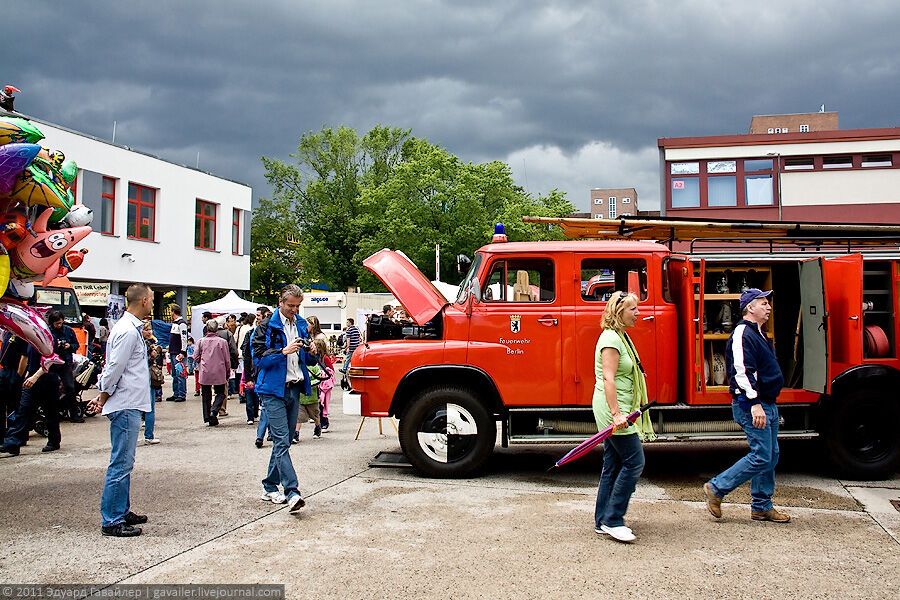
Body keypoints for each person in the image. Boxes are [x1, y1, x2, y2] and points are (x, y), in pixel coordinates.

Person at [704, 289, 790, 524]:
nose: (769, 307)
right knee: (762, 455)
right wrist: (753, 404)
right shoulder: (743, 333)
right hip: (754, 404)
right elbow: (741, 372)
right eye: (763, 303)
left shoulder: (758, 333)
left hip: (767, 403)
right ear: (750, 308)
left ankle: (762, 507)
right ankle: (717, 487)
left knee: (771, 455)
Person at [88, 283, 154, 537]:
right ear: (144, 301)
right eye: (150, 298)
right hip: (125, 402)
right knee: (121, 462)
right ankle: (112, 519)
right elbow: (115, 367)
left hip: (129, 401)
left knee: (126, 461)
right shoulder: (127, 331)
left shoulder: (129, 328)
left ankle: (120, 509)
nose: (151, 301)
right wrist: (103, 396)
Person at [593, 291, 654, 543]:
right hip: (614, 411)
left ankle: (602, 519)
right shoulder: (611, 339)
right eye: (633, 309)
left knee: (614, 464)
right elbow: (608, 378)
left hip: (621, 409)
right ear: (619, 313)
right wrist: (617, 414)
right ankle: (613, 519)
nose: (638, 313)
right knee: (634, 461)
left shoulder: (620, 336)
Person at [252, 284, 317, 512]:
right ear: (280, 302)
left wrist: (311, 353)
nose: (295, 310)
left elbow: (307, 362)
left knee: (285, 441)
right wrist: (282, 352)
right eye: (291, 305)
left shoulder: (300, 324)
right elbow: (258, 360)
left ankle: (269, 486)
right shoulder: (265, 327)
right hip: (272, 390)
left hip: (294, 387)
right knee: (281, 440)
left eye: (298, 306)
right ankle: (292, 492)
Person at [194, 319, 231, 426]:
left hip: (205, 371)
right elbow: (227, 359)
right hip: (219, 371)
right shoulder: (222, 342)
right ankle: (214, 410)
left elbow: (195, 356)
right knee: (221, 393)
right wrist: (228, 371)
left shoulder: (201, 341)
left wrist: (202, 359)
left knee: (206, 394)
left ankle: (207, 417)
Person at [49, 311, 82, 422]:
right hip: (52, 364)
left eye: (60, 323)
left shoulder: (68, 330)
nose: (59, 325)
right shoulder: (48, 332)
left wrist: (69, 346)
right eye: (57, 323)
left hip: (65, 363)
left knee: (70, 387)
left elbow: (76, 345)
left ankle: (74, 415)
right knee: (52, 389)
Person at [251, 307, 272, 448]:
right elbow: (249, 356)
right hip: (261, 374)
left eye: (259, 315)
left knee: (266, 407)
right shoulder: (253, 333)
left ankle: (264, 434)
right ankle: (263, 435)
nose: (258, 318)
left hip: (264, 375)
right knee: (266, 407)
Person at [311, 337, 335, 431]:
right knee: (318, 403)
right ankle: (320, 422)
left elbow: (331, 371)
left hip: (324, 384)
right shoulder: (313, 357)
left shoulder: (325, 358)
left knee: (323, 404)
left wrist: (324, 374)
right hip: (317, 383)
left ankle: (324, 421)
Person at [166, 306, 188, 400]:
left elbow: (184, 338)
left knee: (180, 374)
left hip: (178, 352)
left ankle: (181, 394)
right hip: (173, 351)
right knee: (174, 374)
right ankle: (176, 393)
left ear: (173, 312)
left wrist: (183, 352)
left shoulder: (181, 324)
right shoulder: (175, 324)